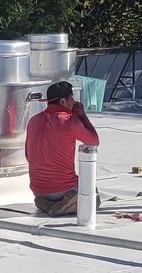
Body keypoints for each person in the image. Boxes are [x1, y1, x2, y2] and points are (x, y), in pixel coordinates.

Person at [24, 80, 100, 216]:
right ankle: (64, 206)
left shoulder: (33, 121)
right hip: (63, 188)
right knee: (94, 198)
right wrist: (82, 116)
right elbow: (94, 141)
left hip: (38, 190)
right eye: (72, 98)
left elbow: (28, 156)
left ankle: (47, 203)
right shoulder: (69, 121)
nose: (74, 101)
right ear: (63, 102)